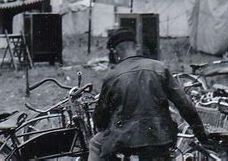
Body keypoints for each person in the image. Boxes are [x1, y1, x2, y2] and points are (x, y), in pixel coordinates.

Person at [89, 28, 208, 160]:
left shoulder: (112, 76)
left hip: (124, 140)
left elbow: (100, 118)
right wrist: (201, 136)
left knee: (95, 143)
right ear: (136, 47)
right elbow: (185, 105)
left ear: (116, 52)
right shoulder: (160, 68)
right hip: (160, 137)